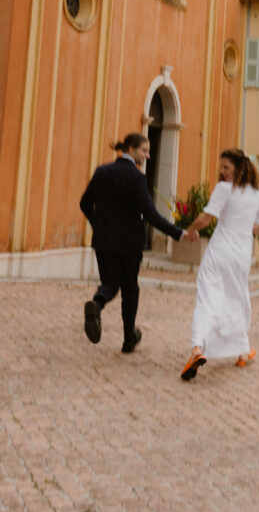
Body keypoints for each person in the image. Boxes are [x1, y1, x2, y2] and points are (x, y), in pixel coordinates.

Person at [80, 132, 186, 353]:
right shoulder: (136, 177)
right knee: (130, 289)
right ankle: (129, 338)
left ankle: (97, 304)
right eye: (144, 151)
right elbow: (150, 213)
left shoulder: (102, 171)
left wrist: (98, 224)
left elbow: (84, 203)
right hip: (130, 243)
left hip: (104, 240)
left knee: (109, 283)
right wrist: (178, 233)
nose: (148, 156)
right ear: (130, 148)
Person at [180, 149, 259, 381]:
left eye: (226, 168)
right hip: (241, 256)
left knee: (207, 297)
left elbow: (205, 218)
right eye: (221, 167)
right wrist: (244, 227)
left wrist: (188, 231)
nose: (221, 172)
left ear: (239, 168)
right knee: (236, 298)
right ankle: (242, 351)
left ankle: (197, 348)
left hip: (219, 253)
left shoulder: (224, 190)